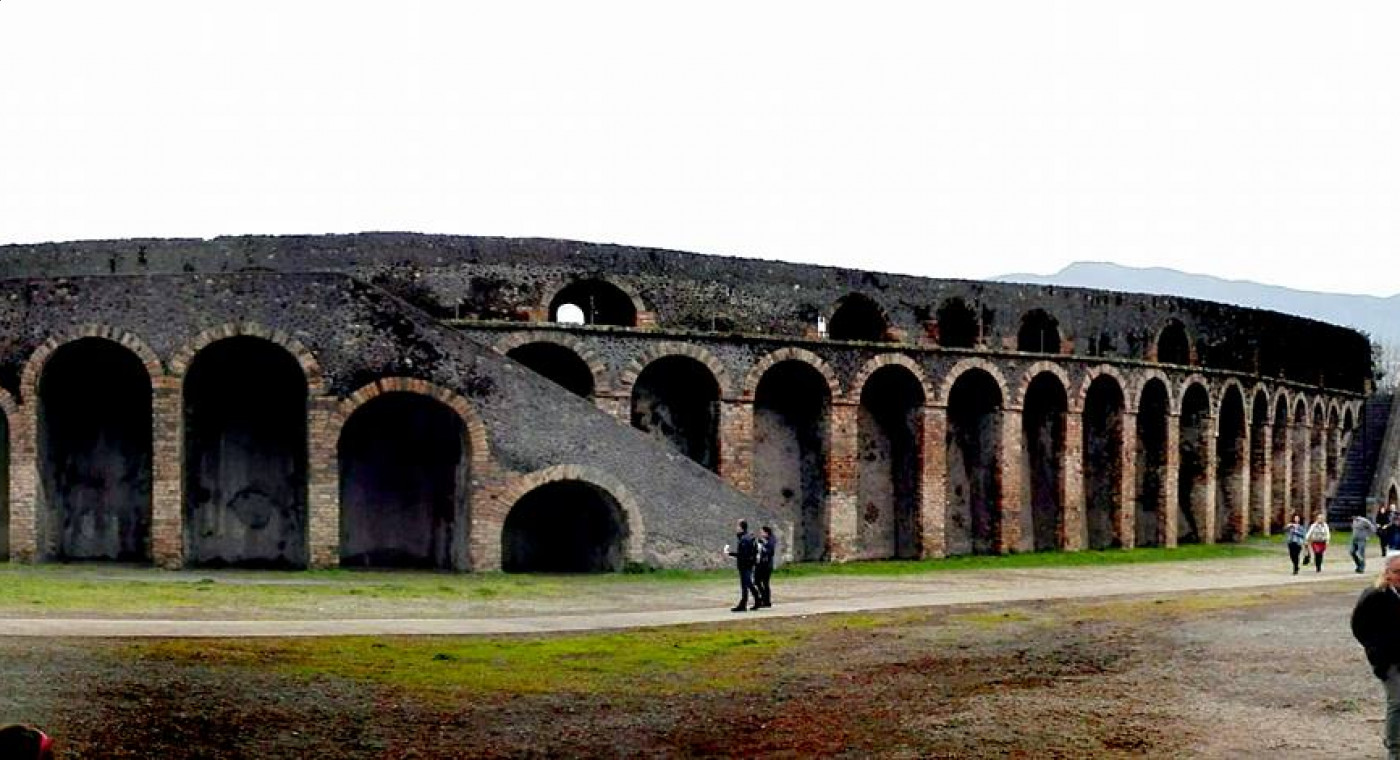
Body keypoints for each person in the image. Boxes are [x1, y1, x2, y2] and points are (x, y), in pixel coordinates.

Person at [1351, 554, 1400, 759]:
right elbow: (1359, 628)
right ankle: (1395, 749)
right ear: (1387, 573)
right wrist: (1377, 652)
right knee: (1397, 702)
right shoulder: (1375, 596)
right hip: (1389, 661)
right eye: (1397, 572)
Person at [726, 519, 759, 612]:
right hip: (747, 564)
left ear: (741, 527)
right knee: (746, 584)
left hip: (745, 565)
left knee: (747, 583)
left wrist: (730, 554)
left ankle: (750, 602)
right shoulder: (746, 538)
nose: (736, 528)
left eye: (737, 526)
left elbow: (743, 554)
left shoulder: (745, 539)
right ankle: (748, 602)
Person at [753, 525, 778, 609]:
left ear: (766, 533)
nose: (760, 534)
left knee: (765, 583)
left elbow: (770, 551)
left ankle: (766, 600)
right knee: (757, 581)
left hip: (766, 565)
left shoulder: (771, 540)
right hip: (760, 564)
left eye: (762, 532)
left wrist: (763, 544)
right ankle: (764, 598)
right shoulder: (762, 541)